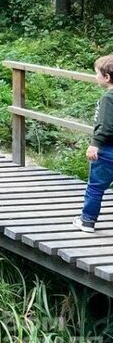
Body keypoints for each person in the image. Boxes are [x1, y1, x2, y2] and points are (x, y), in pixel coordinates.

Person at [73, 55, 113, 233]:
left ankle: (87, 221)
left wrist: (95, 144)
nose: (95, 77)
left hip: (106, 150)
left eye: (96, 73)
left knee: (95, 187)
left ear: (107, 77)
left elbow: (106, 125)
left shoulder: (108, 98)